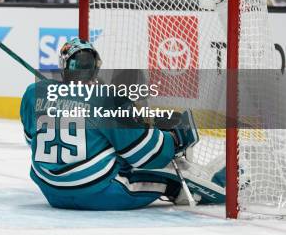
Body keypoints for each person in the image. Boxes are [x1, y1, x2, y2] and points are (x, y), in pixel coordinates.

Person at [20, 38, 226, 210]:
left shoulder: (33, 92)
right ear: (95, 68)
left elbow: (32, 140)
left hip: (50, 190)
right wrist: (174, 138)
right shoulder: (106, 99)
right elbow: (148, 154)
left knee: (109, 148)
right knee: (165, 176)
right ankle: (213, 184)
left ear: (63, 67)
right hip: (95, 191)